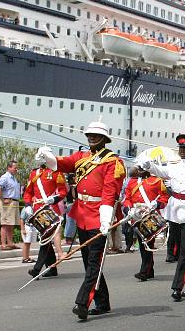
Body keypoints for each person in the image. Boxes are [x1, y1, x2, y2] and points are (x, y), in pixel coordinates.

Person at [36, 122, 126, 320]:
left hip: (99, 215)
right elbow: (61, 164)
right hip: (82, 214)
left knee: (94, 262)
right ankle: (103, 302)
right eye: (89, 134)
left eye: (95, 135)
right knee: (89, 263)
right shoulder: (81, 156)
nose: (91, 137)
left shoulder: (112, 161)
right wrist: (46, 156)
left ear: (104, 138)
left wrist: (106, 218)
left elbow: (110, 191)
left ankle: (82, 303)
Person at [137, 134, 185, 302]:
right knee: (180, 251)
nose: (182, 150)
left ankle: (177, 287)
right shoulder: (173, 165)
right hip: (174, 211)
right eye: (180, 147)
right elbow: (160, 171)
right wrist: (148, 165)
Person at [123, 164, 168, 281]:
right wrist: (128, 208)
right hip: (136, 215)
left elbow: (164, 198)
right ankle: (149, 270)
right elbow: (127, 198)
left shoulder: (157, 181)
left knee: (147, 242)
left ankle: (144, 271)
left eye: (143, 168)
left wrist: (157, 204)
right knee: (142, 243)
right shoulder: (132, 182)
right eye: (139, 168)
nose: (141, 170)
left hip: (149, 216)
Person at [22, 162, 68, 278]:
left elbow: (63, 191)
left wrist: (54, 198)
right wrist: (27, 205)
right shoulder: (34, 173)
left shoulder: (56, 172)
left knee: (45, 239)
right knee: (45, 240)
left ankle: (36, 269)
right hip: (38, 210)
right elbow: (28, 192)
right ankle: (52, 268)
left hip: (51, 208)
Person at [0, 160, 21, 250]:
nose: (16, 169)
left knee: (11, 223)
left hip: (14, 201)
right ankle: (3, 244)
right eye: (15, 168)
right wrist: (2, 200)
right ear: (9, 167)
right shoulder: (5, 177)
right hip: (8, 202)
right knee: (5, 223)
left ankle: (10, 243)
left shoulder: (13, 178)